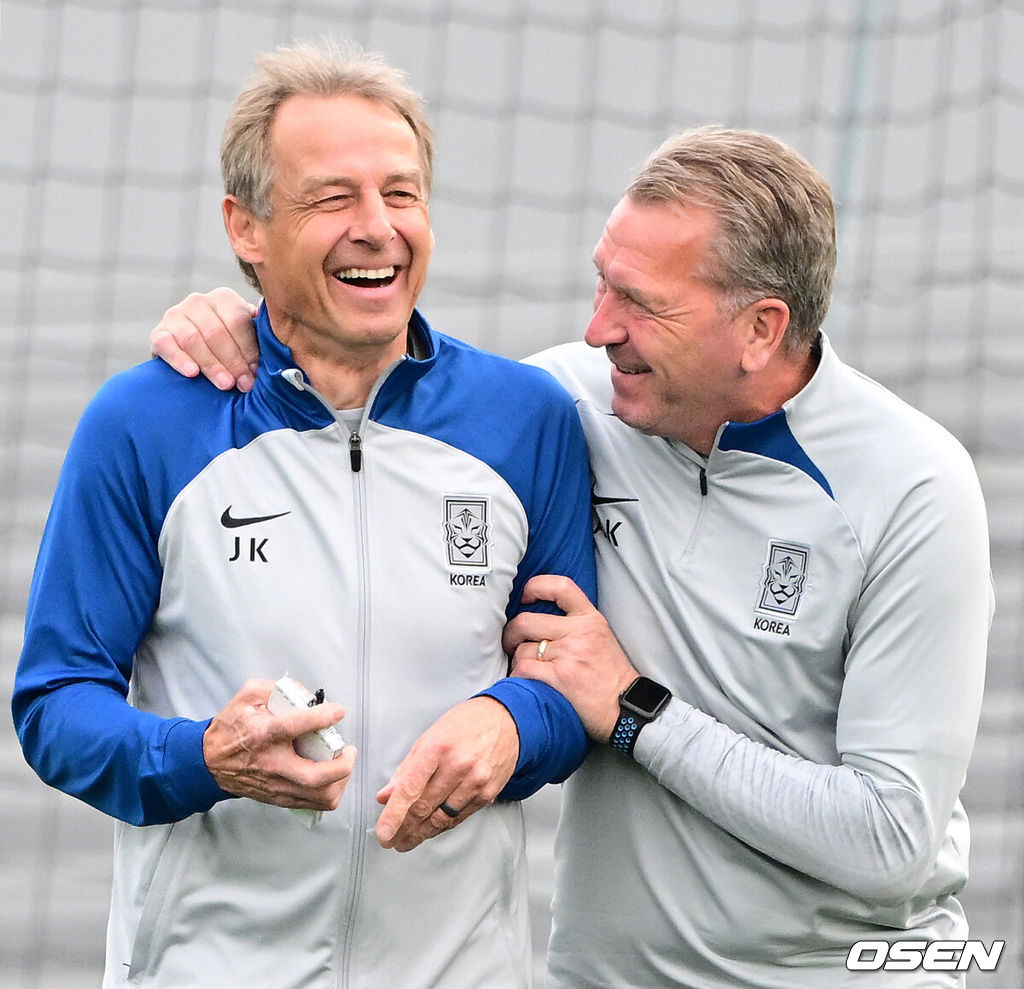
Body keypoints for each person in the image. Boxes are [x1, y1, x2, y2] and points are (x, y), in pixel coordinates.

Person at [148, 126, 993, 988]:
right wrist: (243, 321)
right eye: (601, 281)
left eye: (639, 302)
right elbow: (377, 391)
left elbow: (889, 841)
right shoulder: (567, 407)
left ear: (760, 328)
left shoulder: (914, 487)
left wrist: (636, 711)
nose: (597, 329)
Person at [12, 40, 596, 989]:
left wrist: (511, 724)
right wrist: (206, 756)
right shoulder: (145, 423)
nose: (379, 228)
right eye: (333, 198)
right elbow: (55, 705)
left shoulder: (525, 419)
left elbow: (569, 679)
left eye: (401, 194)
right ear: (247, 228)